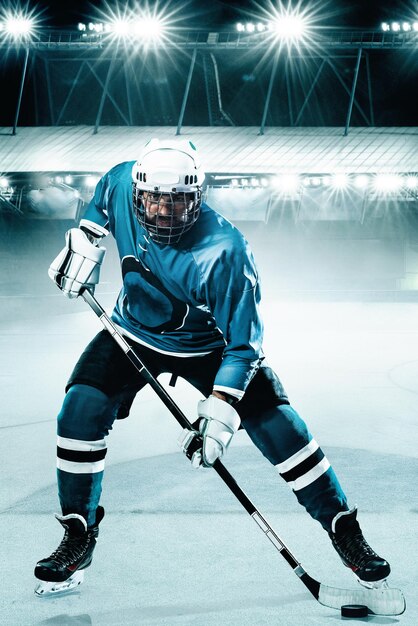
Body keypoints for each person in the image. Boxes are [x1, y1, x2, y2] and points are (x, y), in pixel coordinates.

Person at [34, 139, 390, 595]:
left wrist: (220, 416)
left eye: (177, 201)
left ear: (198, 197)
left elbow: (245, 345)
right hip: (132, 332)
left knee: (283, 429)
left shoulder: (226, 251)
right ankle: (78, 535)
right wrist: (84, 238)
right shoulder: (124, 180)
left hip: (213, 347)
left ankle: (344, 530)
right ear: (139, 191)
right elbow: (104, 195)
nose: (163, 211)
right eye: (154, 199)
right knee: (78, 412)